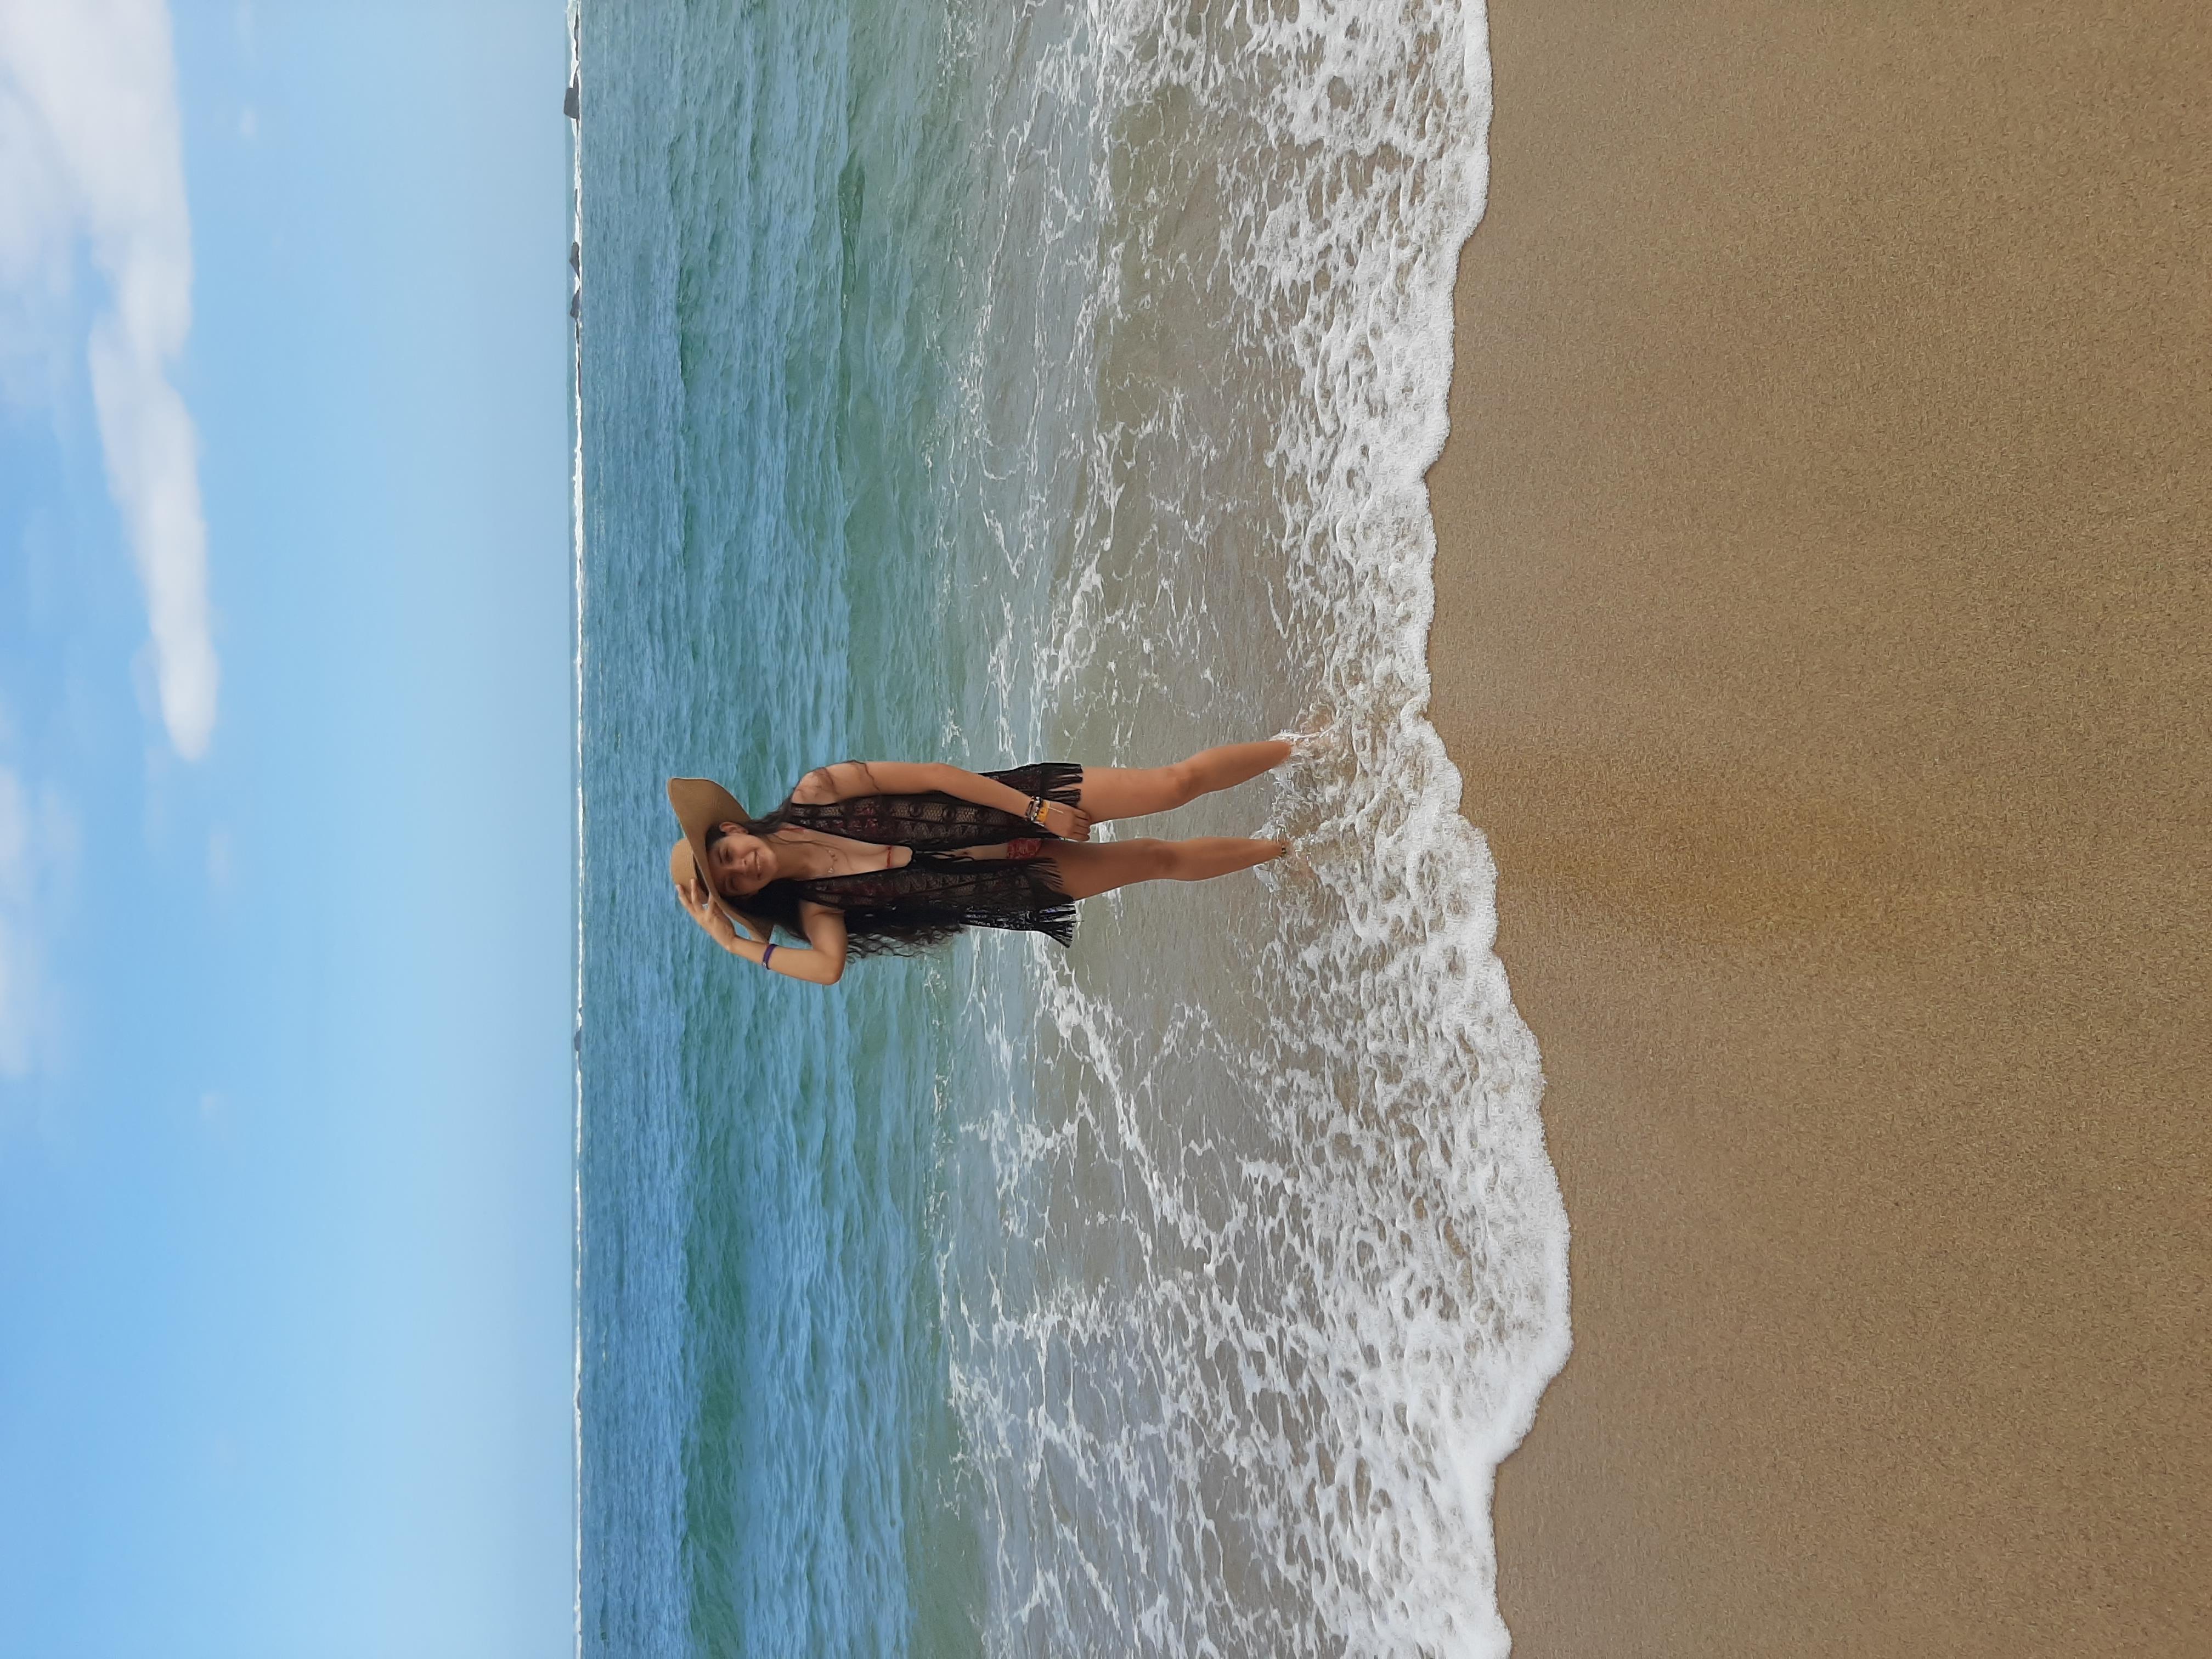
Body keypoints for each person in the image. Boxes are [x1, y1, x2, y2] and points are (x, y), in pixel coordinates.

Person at [668, 741, 1295, 984]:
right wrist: (735, 944)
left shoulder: (821, 791)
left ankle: (1299, 747)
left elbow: (937, 775)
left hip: (1016, 806)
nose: (741, 867)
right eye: (732, 883)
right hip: (1013, 883)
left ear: (733, 828)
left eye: (726, 855)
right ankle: (1290, 848)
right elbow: (828, 968)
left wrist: (1037, 810)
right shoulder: (819, 907)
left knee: (1173, 783)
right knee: (1157, 858)